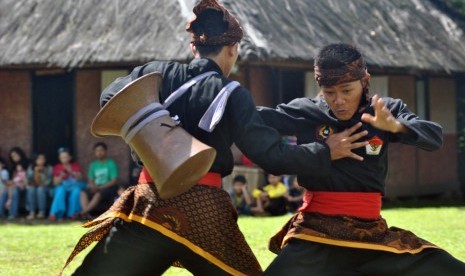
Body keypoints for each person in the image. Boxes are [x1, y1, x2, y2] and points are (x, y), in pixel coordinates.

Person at [64, 1, 357, 275]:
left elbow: (110, 96)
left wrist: (158, 127)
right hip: (204, 214)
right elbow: (271, 155)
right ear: (232, 49)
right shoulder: (233, 94)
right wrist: (323, 152)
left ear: (194, 48)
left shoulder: (155, 73)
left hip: (149, 206)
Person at [257, 43, 465, 275]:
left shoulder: (385, 111)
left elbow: (434, 136)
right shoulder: (307, 112)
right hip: (315, 235)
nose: (339, 101)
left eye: (347, 90)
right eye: (330, 92)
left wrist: (396, 126)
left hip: (372, 234)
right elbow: (254, 119)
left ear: (365, 80)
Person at [79, 142, 118, 218]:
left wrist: (100, 187)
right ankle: (86, 214)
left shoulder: (111, 163)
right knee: (83, 193)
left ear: (105, 151)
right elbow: (90, 179)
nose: (99, 152)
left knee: (98, 194)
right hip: (95, 187)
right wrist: (92, 186)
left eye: (101, 150)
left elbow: (114, 180)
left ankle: (83, 212)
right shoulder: (93, 165)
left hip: (108, 187)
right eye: (97, 151)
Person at [49, 147, 85, 221]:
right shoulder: (57, 167)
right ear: (59, 158)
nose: (64, 158)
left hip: (73, 187)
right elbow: (55, 183)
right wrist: (61, 176)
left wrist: (73, 173)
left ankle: (72, 214)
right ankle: (57, 214)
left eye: (65, 157)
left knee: (76, 191)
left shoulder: (75, 165)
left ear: (70, 157)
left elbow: (80, 178)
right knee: (60, 190)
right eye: (62, 157)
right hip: (62, 187)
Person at [0, 147, 30, 220]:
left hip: (25, 187)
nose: (14, 157)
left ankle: (12, 214)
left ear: (20, 154)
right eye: (12, 156)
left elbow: (27, 179)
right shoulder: (12, 167)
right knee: (5, 191)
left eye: (16, 155)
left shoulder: (27, 164)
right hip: (14, 186)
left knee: (15, 191)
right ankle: (1, 213)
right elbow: (11, 180)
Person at [26, 153, 53, 220]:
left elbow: (48, 182)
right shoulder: (31, 167)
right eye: (39, 159)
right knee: (31, 189)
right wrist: (35, 172)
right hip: (34, 186)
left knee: (40, 189)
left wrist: (43, 174)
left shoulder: (49, 168)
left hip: (47, 188)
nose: (41, 160)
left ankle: (42, 212)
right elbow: (28, 180)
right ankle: (32, 212)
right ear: (35, 160)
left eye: (43, 159)